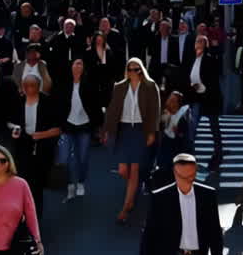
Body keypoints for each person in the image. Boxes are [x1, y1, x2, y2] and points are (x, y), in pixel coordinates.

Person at [103, 57, 160, 223]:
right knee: (123, 170)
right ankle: (133, 190)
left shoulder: (150, 86)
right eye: (130, 69)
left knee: (134, 169)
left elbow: (155, 111)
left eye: (136, 69)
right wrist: (107, 130)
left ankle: (126, 207)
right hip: (123, 130)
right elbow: (112, 109)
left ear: (142, 70)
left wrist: (152, 133)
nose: (133, 72)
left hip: (140, 131)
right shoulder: (120, 87)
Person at [8, 75, 61, 216]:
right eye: (26, 85)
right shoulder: (17, 102)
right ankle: (23, 215)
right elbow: (9, 122)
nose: (28, 89)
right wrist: (15, 128)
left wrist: (39, 135)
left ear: (39, 86)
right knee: (23, 183)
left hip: (42, 149)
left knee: (37, 186)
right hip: (22, 148)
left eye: (32, 85)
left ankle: (35, 216)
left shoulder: (48, 102)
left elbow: (58, 129)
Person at [58, 58, 101, 199]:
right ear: (70, 67)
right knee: (65, 158)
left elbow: (96, 106)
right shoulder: (64, 84)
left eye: (80, 63)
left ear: (83, 67)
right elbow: (58, 106)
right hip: (67, 125)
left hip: (84, 126)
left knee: (82, 158)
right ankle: (70, 184)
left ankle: (81, 182)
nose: (77, 66)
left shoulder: (89, 85)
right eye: (75, 63)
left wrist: (99, 127)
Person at [187, 34, 223, 166]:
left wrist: (202, 86)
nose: (198, 43)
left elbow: (213, 79)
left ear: (206, 45)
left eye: (201, 41)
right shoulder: (191, 59)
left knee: (214, 127)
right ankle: (190, 153)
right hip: (196, 97)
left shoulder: (210, 59)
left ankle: (218, 154)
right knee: (193, 125)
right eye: (197, 41)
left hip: (210, 98)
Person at [155, 90, 191, 184]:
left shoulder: (181, 119)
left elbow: (184, 138)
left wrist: (178, 133)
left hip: (175, 149)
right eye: (169, 99)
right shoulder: (165, 114)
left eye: (173, 100)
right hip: (164, 148)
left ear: (178, 104)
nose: (169, 102)